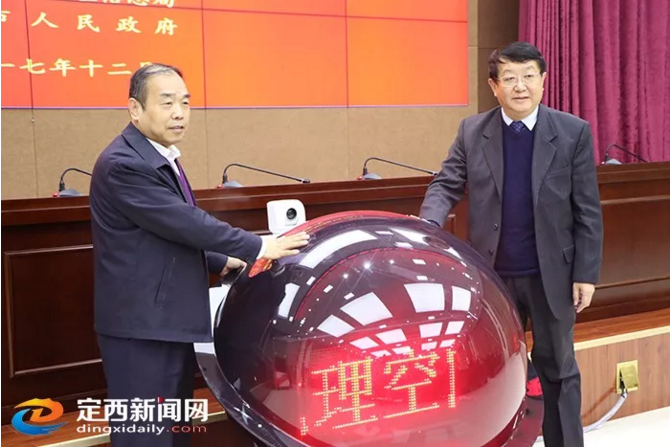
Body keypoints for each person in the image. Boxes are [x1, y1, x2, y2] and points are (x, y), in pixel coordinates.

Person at [89, 63, 309, 446]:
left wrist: (221, 261)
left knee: (173, 434)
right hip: (141, 330)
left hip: (166, 322)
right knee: (146, 437)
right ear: (135, 109)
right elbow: (183, 221)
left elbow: (163, 234)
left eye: (185, 103)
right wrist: (258, 246)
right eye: (167, 103)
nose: (179, 113)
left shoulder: (159, 154)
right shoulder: (123, 164)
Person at [420, 42, 603, 447]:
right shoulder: (473, 131)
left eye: (528, 76)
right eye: (510, 78)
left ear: (543, 81)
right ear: (494, 86)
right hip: (493, 278)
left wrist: (586, 274)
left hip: (552, 276)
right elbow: (446, 183)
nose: (520, 86)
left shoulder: (572, 132)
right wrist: (428, 225)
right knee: (496, 372)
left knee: (557, 368)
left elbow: (587, 210)